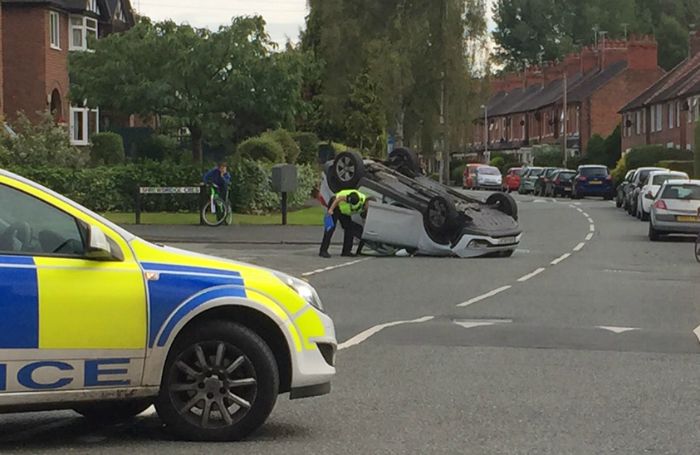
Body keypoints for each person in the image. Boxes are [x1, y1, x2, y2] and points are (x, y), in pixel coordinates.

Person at [319, 189, 370, 258]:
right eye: (369, 206)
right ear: (367, 202)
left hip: (344, 211)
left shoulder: (364, 207)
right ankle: (323, 251)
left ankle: (346, 251)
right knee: (330, 228)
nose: (369, 208)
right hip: (335, 204)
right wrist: (330, 210)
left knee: (349, 228)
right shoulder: (355, 197)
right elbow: (339, 199)